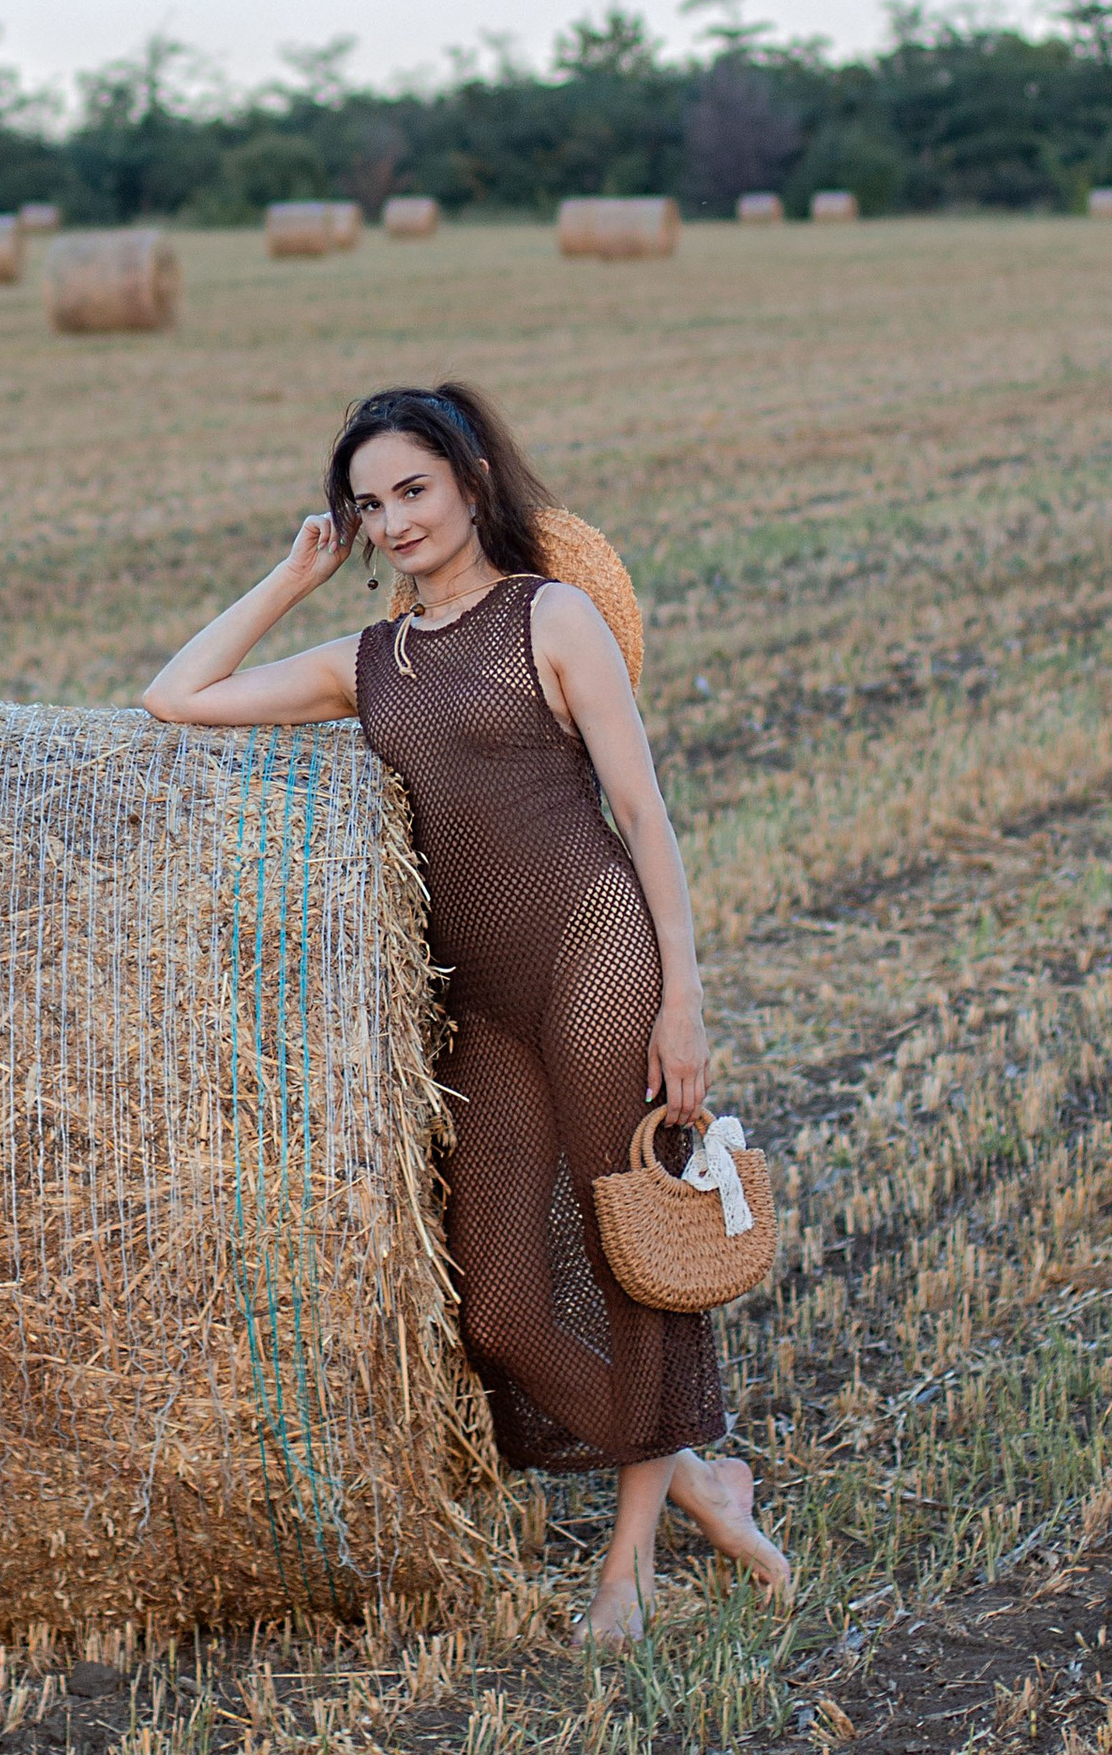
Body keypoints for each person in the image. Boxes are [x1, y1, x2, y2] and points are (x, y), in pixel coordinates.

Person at [145, 377, 788, 1645]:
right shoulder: (368, 661)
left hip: (593, 953)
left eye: (411, 492)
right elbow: (176, 698)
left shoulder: (548, 619)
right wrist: (293, 574)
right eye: (366, 503)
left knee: (626, 1255)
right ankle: (706, 1475)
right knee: (496, 1303)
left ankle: (630, 1567)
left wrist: (685, 997)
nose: (391, 521)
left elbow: (642, 814)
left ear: (472, 482)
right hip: (478, 1006)